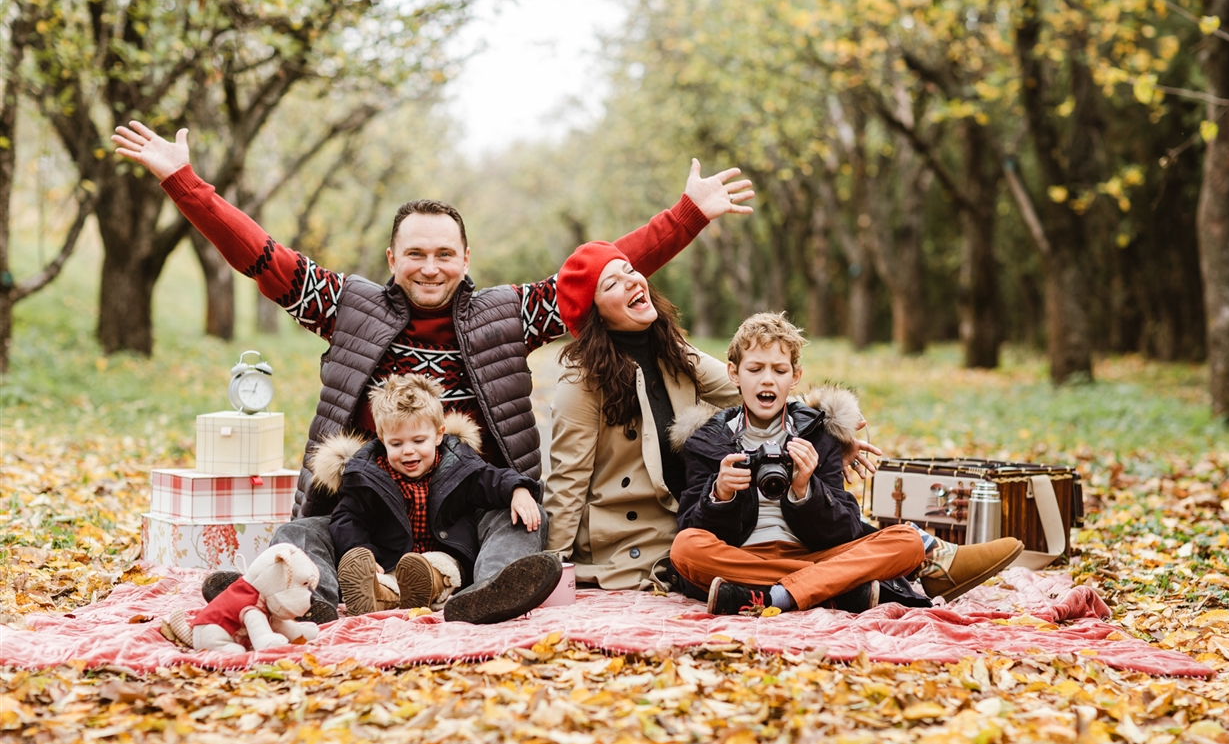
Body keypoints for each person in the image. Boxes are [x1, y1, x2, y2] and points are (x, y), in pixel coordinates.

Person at [112, 121, 754, 624]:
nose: (430, 266)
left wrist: (688, 214)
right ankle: (318, 597)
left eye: (444, 253)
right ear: (392, 258)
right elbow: (261, 257)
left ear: (466, 257)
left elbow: (606, 270)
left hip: (470, 509)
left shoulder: (509, 314)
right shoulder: (347, 306)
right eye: (415, 253)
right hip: (366, 510)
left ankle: (483, 597)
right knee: (300, 532)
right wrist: (183, 183)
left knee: (516, 534)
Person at [671, 313, 1025, 615]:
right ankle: (836, 589)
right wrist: (719, 494)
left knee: (907, 541)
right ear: (734, 373)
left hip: (816, 555)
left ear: (794, 377)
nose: (767, 379)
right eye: (756, 369)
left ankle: (771, 597)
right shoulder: (708, 441)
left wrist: (806, 489)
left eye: (779, 370)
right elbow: (690, 526)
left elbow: (846, 530)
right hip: (743, 557)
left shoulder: (815, 432)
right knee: (686, 547)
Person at [543, 241, 742, 590]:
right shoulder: (581, 383)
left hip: (691, 519)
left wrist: (827, 429)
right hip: (626, 541)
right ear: (595, 313)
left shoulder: (672, 352)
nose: (633, 281)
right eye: (612, 284)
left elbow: (750, 392)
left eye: (630, 271)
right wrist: (551, 572)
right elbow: (567, 481)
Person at [318, 374, 549, 621]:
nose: (408, 451)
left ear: (439, 435)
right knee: (379, 578)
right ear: (382, 439)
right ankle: (364, 597)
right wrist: (361, 550)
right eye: (396, 444)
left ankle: (490, 589)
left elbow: (491, 479)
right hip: (391, 564)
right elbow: (348, 518)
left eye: (419, 441)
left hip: (444, 559)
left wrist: (518, 490)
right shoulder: (368, 476)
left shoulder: (457, 464)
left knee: (525, 514)